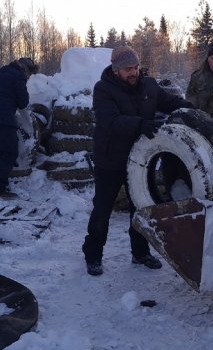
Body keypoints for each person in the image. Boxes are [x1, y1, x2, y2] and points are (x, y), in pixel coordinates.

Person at [82, 46, 193, 276]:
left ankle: (140, 253)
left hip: (141, 159)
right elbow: (110, 121)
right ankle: (93, 255)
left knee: (141, 206)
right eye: (126, 69)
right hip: (110, 159)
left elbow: (168, 102)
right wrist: (141, 124)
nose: (132, 72)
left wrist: (187, 106)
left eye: (134, 67)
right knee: (102, 209)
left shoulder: (149, 86)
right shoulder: (103, 89)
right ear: (116, 71)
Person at [0, 57, 37, 199]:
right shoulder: (19, 77)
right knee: (10, 153)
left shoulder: (0, 72)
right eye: (29, 74)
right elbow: (23, 102)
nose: (28, 77)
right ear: (25, 69)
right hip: (4, 119)